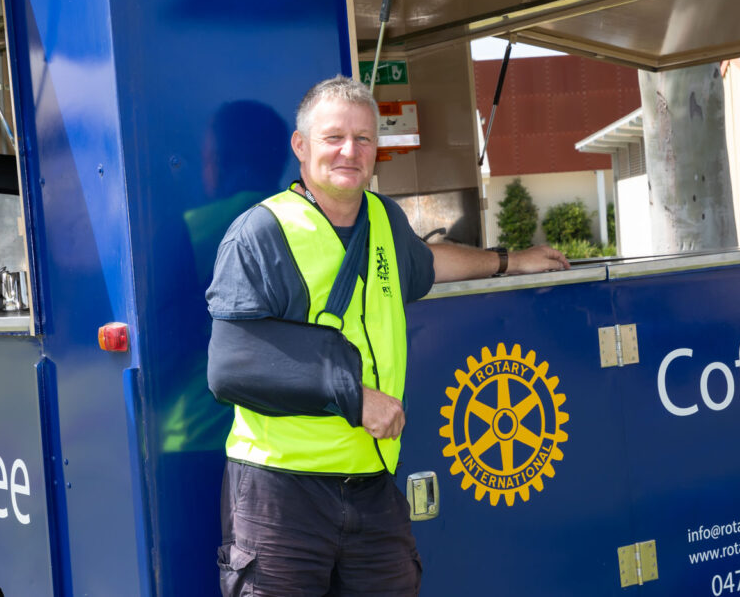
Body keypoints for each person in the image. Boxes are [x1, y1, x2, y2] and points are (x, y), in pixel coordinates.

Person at [206, 76, 569, 596]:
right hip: (280, 492)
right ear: (301, 147)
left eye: (364, 139)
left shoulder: (383, 219)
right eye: (333, 138)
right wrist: (353, 398)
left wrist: (509, 261)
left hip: (371, 485)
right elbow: (231, 365)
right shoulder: (262, 233)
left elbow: (427, 263)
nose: (349, 151)